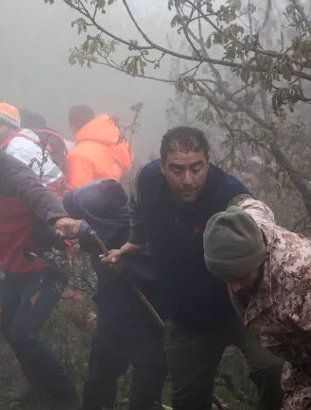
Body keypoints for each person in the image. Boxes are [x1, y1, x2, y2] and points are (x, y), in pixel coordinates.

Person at [102, 126, 283, 410]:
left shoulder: (229, 194)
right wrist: (134, 243)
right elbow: (137, 207)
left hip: (246, 310)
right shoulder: (147, 180)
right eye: (177, 169)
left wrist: (262, 228)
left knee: (275, 372)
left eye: (196, 168)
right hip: (187, 318)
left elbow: (256, 216)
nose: (188, 180)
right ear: (161, 166)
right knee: (187, 401)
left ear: (208, 161)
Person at [0, 115, 81, 409]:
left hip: (46, 265)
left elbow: (36, 192)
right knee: (10, 329)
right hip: (17, 266)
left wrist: (58, 217)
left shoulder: (11, 173)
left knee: (23, 333)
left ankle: (66, 398)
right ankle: (39, 391)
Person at [203, 199, 311, 410]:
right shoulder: (249, 227)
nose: (234, 287)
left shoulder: (307, 285)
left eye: (240, 276)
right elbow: (253, 205)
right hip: (303, 370)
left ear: (258, 259)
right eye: (226, 278)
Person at [63, 180, 166, 410]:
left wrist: (126, 267)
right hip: (112, 320)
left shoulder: (139, 234)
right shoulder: (94, 216)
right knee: (98, 385)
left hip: (149, 324)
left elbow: (157, 274)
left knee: (144, 398)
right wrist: (76, 224)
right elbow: (69, 201)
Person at [0, 102, 64, 192]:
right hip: (54, 190)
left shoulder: (17, 148)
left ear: (12, 127)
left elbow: (9, 185)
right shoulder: (23, 138)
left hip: (54, 195)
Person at [66, 105, 132, 189]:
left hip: (104, 201)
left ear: (73, 127)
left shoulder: (78, 155)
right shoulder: (118, 140)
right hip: (126, 197)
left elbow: (79, 195)